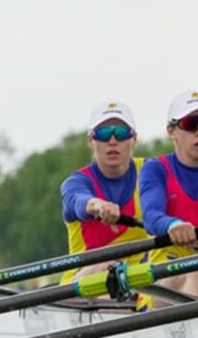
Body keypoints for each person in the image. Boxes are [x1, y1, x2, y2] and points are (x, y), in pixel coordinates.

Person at [138, 90, 198, 304]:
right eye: (191, 124)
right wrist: (172, 224)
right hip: (164, 275)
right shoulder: (155, 169)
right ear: (171, 130)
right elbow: (151, 216)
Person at [59, 101, 149, 283]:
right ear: (91, 141)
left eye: (121, 133)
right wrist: (97, 205)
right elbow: (76, 201)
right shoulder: (77, 182)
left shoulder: (152, 172)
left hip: (143, 278)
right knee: (108, 268)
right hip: (85, 283)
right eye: (103, 134)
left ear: (134, 139)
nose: (113, 141)